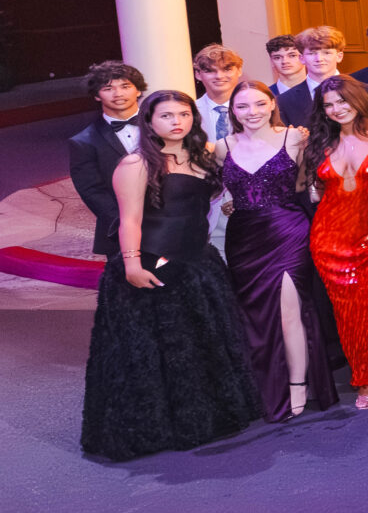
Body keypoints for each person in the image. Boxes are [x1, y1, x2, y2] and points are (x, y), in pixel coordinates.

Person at [78, 90, 263, 461]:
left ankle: (206, 419)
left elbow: (203, 203)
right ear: (149, 121)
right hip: (151, 264)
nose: (177, 122)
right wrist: (132, 264)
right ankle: (159, 429)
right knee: (155, 352)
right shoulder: (136, 164)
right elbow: (128, 218)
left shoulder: (204, 156)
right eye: (166, 116)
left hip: (197, 262)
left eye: (184, 114)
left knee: (199, 345)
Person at [217, 81, 334, 421]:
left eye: (258, 104)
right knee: (255, 314)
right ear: (233, 112)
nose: (251, 112)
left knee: (290, 310)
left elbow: (312, 183)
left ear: (271, 105)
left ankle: (298, 384)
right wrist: (226, 203)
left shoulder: (294, 138)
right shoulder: (221, 147)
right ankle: (267, 383)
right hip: (244, 238)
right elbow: (218, 189)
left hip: (288, 230)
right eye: (242, 107)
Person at [302, 77, 368, 413]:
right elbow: (312, 190)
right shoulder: (320, 141)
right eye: (329, 105)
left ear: (358, 99)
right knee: (348, 316)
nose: (336, 109)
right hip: (330, 240)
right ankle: (363, 380)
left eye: (342, 101)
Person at [68, 60, 147, 260]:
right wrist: (127, 224)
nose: (118, 94)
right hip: (118, 230)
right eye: (108, 88)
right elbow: (92, 191)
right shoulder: (83, 141)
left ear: (138, 91)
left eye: (125, 86)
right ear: (96, 95)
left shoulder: (162, 125)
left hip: (174, 224)